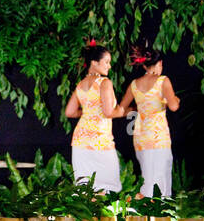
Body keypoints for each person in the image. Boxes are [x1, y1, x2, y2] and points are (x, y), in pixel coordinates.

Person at [115, 46, 180, 198]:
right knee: (161, 177)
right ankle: (156, 212)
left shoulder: (134, 84)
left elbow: (120, 110)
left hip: (141, 137)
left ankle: (143, 208)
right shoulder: (163, 81)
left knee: (148, 175)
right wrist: (175, 99)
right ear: (160, 63)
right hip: (158, 137)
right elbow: (174, 106)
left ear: (144, 65)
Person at [66, 41, 121, 192]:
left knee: (84, 188)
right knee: (109, 186)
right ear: (94, 63)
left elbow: (69, 112)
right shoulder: (104, 82)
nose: (109, 66)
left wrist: (88, 113)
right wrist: (123, 111)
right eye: (106, 62)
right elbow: (109, 112)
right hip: (100, 141)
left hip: (80, 141)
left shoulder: (81, 84)